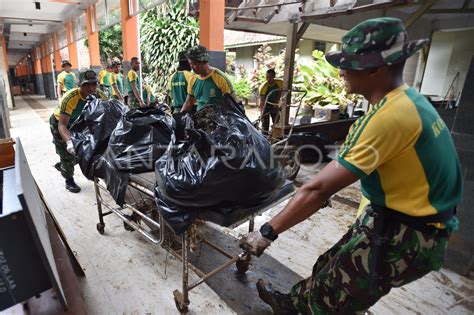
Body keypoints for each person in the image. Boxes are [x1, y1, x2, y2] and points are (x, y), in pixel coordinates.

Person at [240, 17, 463, 314]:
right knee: (329, 266)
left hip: (410, 232)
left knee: (336, 298)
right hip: (393, 214)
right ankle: (291, 304)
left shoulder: (389, 118)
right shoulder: (408, 101)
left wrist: (266, 232)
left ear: (375, 69)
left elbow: (318, 188)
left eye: (349, 64)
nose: (342, 71)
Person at [50, 70, 107, 193]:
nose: (91, 88)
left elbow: (108, 112)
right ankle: (69, 179)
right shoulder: (71, 97)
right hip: (61, 123)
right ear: (79, 85)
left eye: (94, 84)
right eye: (87, 84)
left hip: (80, 123)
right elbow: (62, 125)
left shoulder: (99, 95)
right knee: (67, 152)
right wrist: (69, 141)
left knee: (86, 149)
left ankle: (65, 165)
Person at [181, 45, 234, 112]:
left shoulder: (220, 78)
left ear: (204, 61)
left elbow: (233, 104)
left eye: (194, 64)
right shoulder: (192, 79)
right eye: (190, 63)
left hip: (218, 119)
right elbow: (189, 102)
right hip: (200, 118)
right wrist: (179, 117)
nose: (192, 67)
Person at [259, 68, 283, 134]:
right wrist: (262, 112)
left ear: (274, 77)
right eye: (267, 77)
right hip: (265, 105)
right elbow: (262, 101)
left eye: (270, 77)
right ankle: (264, 136)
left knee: (277, 120)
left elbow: (280, 93)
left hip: (274, 104)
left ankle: (275, 135)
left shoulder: (279, 83)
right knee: (265, 122)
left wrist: (276, 102)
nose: (268, 79)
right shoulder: (263, 87)